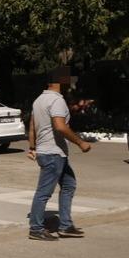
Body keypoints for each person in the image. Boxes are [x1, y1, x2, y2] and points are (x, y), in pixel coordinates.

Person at [27, 67, 92, 241]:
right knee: (44, 192)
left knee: (69, 185)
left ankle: (65, 225)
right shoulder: (57, 101)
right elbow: (60, 126)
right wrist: (81, 142)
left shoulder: (39, 100)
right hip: (53, 154)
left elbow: (32, 125)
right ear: (61, 81)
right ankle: (36, 228)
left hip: (50, 153)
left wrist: (32, 147)